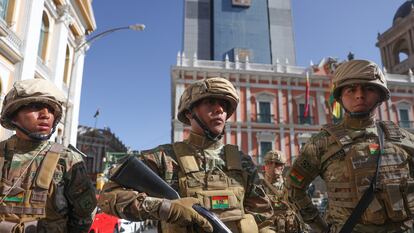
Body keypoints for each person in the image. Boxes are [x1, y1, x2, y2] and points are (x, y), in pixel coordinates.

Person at [98, 77, 273, 233]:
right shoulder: (164, 158)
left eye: (224, 105)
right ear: (189, 113)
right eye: (210, 102)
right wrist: (166, 208)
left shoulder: (242, 162)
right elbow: (108, 196)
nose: (219, 109)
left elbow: (263, 216)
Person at [286, 59, 414, 233]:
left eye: (368, 88)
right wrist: (321, 227)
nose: (359, 95)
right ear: (340, 97)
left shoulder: (404, 139)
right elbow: (294, 189)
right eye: (351, 89)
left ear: (380, 95)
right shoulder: (321, 144)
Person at [0, 79, 97, 232]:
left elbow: (83, 217)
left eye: (51, 110)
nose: (46, 115)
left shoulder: (67, 160)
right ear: (13, 115)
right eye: (35, 106)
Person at [259, 150, 305, 233]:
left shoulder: (289, 183)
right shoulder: (257, 184)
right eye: (270, 163)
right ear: (265, 165)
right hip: (268, 226)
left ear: (283, 166)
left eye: (278, 164)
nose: (273, 166)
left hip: (291, 226)